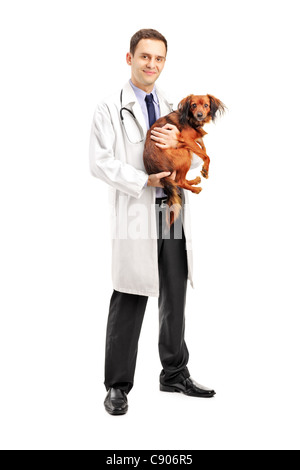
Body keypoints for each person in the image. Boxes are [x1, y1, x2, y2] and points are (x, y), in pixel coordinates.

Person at [89, 29, 215, 416]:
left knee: (175, 292)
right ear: (130, 59)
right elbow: (99, 162)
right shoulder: (110, 107)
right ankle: (117, 385)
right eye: (145, 57)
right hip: (137, 211)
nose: (152, 64)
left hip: (172, 211)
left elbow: (191, 153)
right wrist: (143, 179)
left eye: (159, 58)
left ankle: (174, 372)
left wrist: (182, 146)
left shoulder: (174, 106)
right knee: (130, 293)